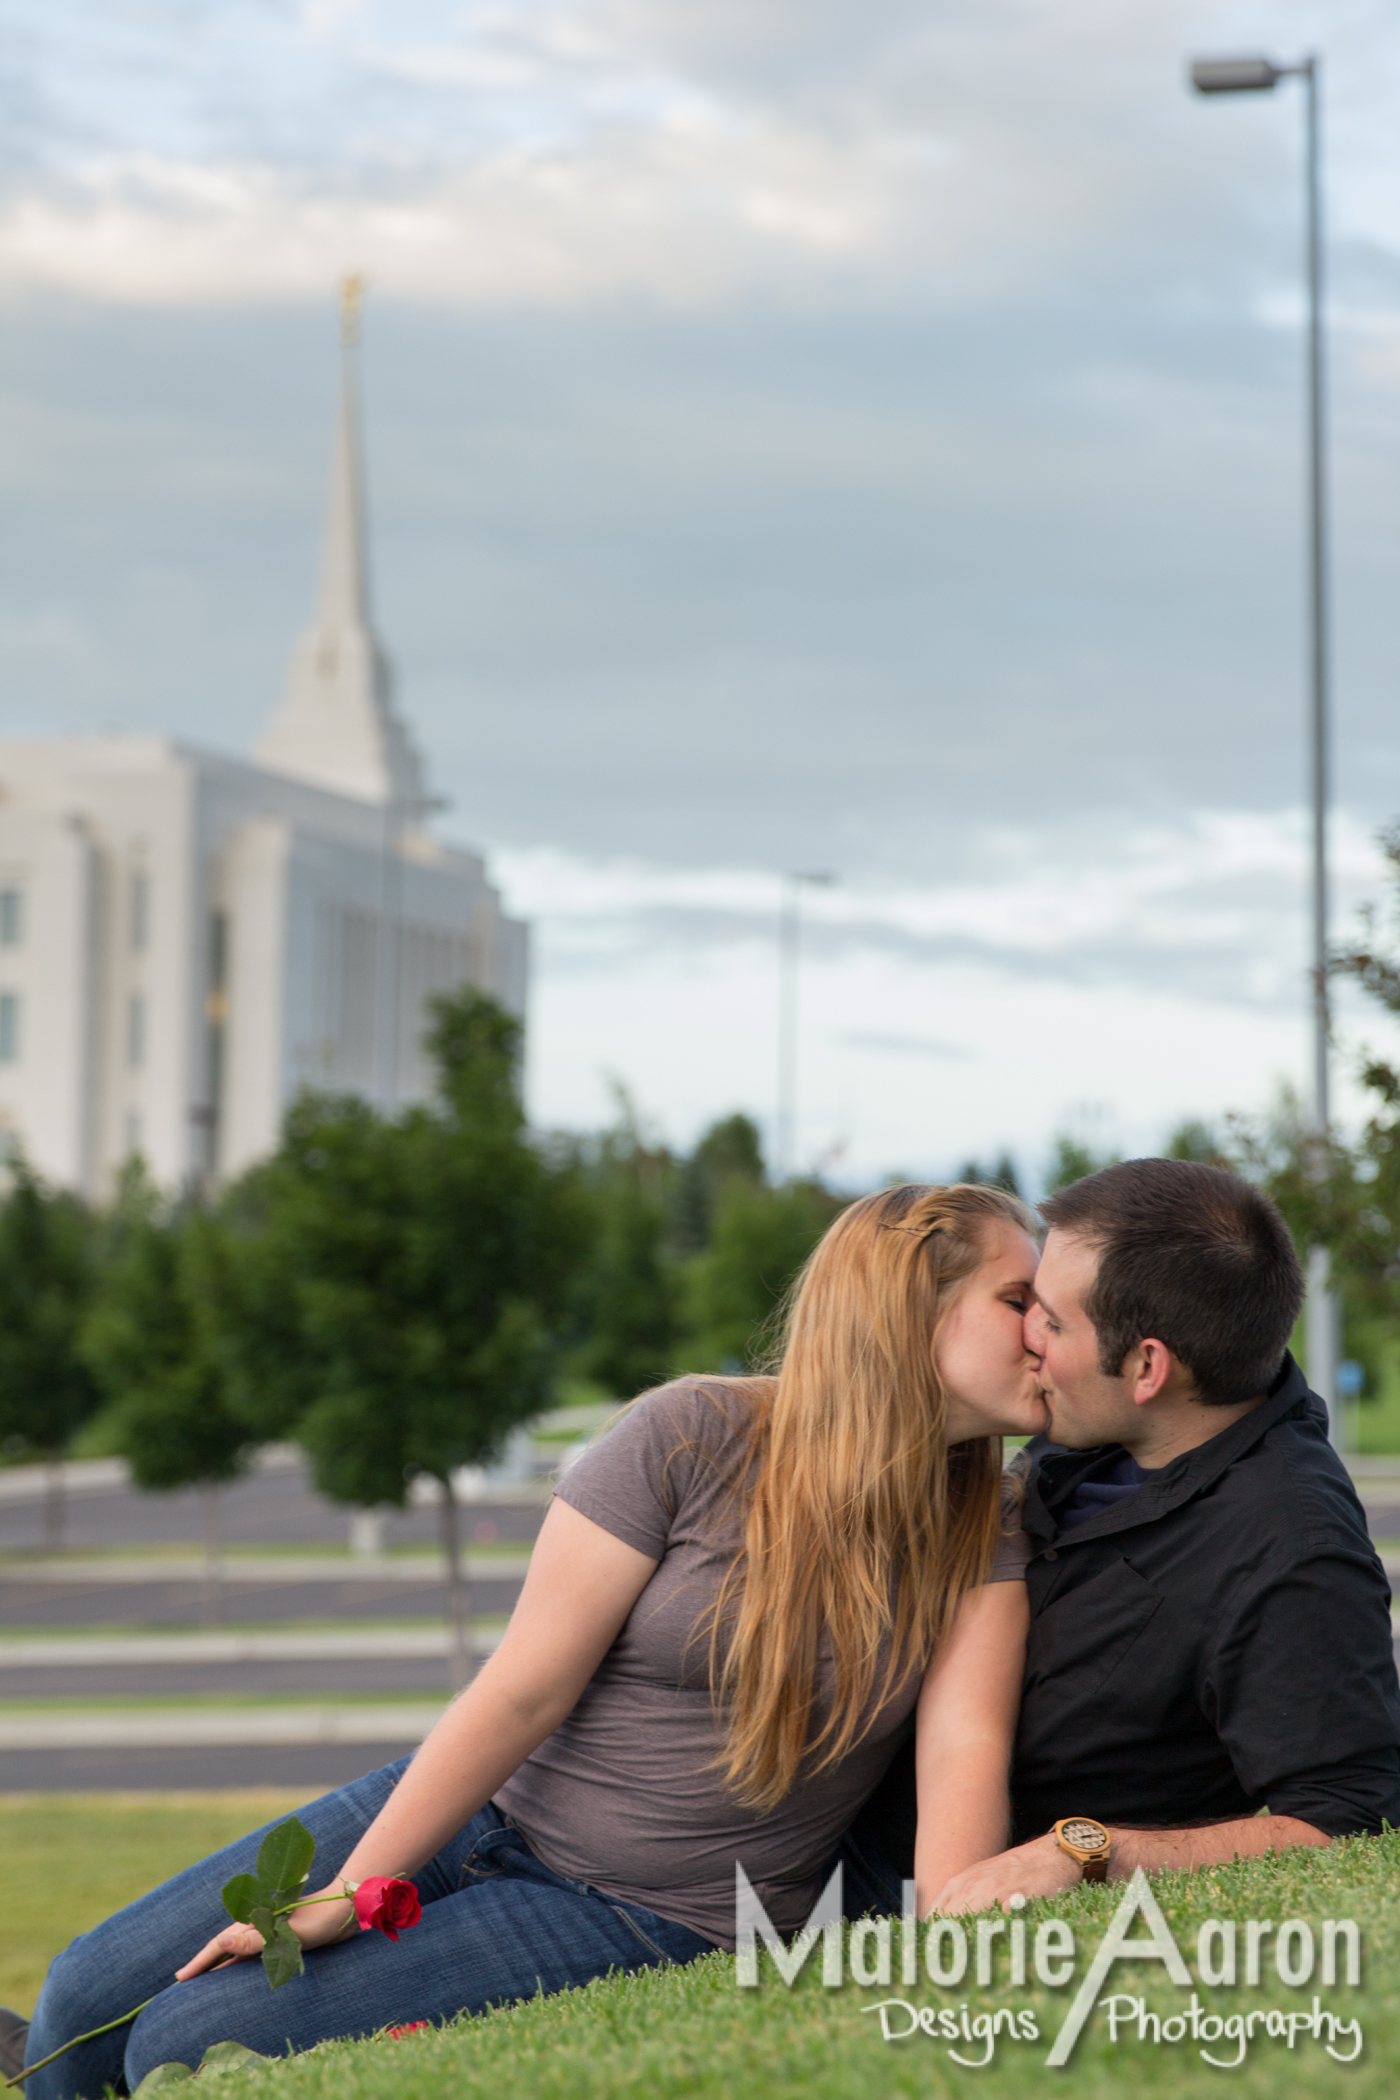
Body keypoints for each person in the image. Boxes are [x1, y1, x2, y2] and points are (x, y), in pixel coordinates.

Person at [19, 1181, 1047, 2098]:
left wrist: (941, 1967)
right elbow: (521, 1692)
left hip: (652, 1913)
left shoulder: (982, 1524)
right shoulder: (685, 1436)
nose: (1046, 1332)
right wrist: (344, 1891)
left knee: (186, 2038)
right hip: (489, 1814)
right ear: (909, 1308)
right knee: (77, 2002)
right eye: (1017, 1301)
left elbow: (961, 1750)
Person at [852, 1157, 1400, 1912]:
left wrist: (1090, 1851)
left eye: (1051, 1318)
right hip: (823, 1840)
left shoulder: (1291, 1548)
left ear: (1147, 1366)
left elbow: (1350, 1820)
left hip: (916, 1894)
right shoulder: (1094, 1430)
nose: (1027, 1336)